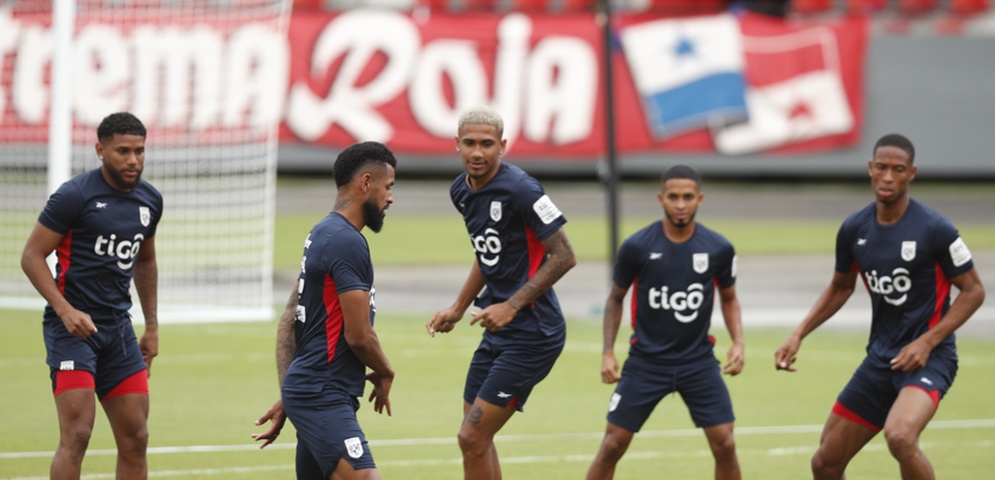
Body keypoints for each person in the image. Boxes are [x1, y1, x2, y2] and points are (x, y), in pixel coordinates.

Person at [774, 133, 985, 480]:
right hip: (881, 359)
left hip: (929, 359)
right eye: (882, 168)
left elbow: (974, 291)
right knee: (825, 463)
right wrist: (798, 334)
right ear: (870, 169)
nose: (888, 177)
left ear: (911, 173)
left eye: (898, 170)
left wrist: (927, 341)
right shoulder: (855, 229)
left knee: (900, 437)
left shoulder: (936, 229)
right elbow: (841, 288)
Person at [425, 105, 577, 480]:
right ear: (457, 145)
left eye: (487, 144)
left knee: (472, 435)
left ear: (503, 146)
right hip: (497, 329)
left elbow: (565, 256)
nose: (478, 152)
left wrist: (510, 305)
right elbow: (486, 251)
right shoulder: (461, 191)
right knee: (475, 436)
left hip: (534, 331)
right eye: (470, 143)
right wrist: (459, 307)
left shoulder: (522, 189)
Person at [21, 112, 161, 479]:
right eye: (123, 151)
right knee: (78, 434)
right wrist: (65, 310)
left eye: (140, 151)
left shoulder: (149, 201)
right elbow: (31, 256)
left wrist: (152, 326)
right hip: (73, 332)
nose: (133, 160)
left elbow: (145, 263)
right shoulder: (75, 195)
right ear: (100, 150)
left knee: (136, 437)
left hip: (118, 331)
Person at [586, 165, 745, 480]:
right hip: (646, 362)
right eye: (674, 197)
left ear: (700, 199)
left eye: (688, 197)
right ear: (661, 199)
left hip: (698, 362)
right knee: (612, 446)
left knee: (725, 444)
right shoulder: (637, 246)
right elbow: (615, 298)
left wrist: (738, 342)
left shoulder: (719, 248)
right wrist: (607, 351)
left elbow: (729, 297)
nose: (681, 204)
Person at [253, 141, 397, 480]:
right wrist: (387, 371)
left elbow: (288, 322)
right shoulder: (346, 242)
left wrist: (291, 395)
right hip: (324, 392)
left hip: (315, 390)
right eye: (388, 187)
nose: (390, 198)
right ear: (366, 182)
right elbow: (359, 336)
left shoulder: (321, 233)